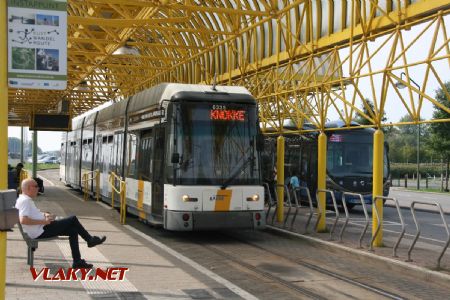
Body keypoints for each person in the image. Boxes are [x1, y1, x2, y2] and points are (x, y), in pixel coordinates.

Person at [15, 178, 106, 268]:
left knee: (73, 230)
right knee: (73, 219)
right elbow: (23, 220)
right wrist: (44, 221)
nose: (38, 188)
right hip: (41, 231)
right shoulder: (25, 201)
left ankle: (77, 261)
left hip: (40, 228)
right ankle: (90, 240)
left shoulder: (24, 199)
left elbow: (33, 214)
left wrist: (45, 214)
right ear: (28, 188)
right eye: (36, 186)